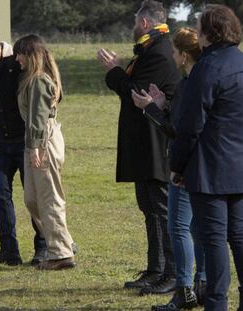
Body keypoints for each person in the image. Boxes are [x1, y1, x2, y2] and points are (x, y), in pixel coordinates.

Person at [97, 0, 179, 295]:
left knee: (160, 210)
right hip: (145, 145)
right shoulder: (151, 49)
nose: (133, 26)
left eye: (136, 21)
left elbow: (136, 93)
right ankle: (156, 268)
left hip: (156, 146)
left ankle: (171, 273)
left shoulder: (159, 52)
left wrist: (113, 70)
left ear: (145, 23)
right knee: (149, 207)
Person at [170, 5, 243, 311]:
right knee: (238, 237)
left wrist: (177, 165)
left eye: (198, 28)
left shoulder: (207, 67)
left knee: (213, 242)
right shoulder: (240, 62)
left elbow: (190, 125)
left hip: (209, 169)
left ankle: (216, 304)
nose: (196, 33)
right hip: (239, 166)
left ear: (210, 33)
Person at [131, 27, 206, 310]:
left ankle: (183, 287)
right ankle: (202, 283)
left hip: (188, 168)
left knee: (178, 227)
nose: (172, 55)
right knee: (198, 228)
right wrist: (162, 104)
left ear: (184, 55)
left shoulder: (190, 83)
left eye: (175, 51)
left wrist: (152, 109)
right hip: (206, 167)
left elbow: (178, 130)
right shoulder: (201, 80)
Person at [0, 22, 48, 266]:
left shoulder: (16, 61)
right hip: (1, 140)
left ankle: (43, 248)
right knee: (0, 194)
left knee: (33, 197)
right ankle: (9, 252)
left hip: (26, 140)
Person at [14, 34, 76, 270]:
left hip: (42, 142)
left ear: (30, 55)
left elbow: (37, 119)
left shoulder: (39, 80)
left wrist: (35, 147)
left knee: (49, 197)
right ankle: (65, 242)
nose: (17, 59)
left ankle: (61, 254)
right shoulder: (33, 79)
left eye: (20, 54)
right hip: (37, 141)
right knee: (32, 198)